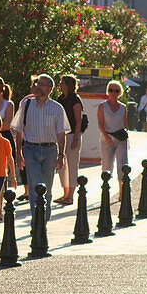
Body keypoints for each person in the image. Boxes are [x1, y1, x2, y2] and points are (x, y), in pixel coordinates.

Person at [12, 74, 69, 224]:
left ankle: (44, 220)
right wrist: (18, 153)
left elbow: (61, 133)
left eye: (43, 84)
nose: (38, 86)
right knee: (34, 187)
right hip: (31, 150)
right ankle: (36, 221)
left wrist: (61, 155)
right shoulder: (26, 104)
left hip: (50, 150)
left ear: (50, 89)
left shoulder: (57, 108)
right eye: (38, 83)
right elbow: (19, 130)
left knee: (47, 188)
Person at [56, 74, 85, 205]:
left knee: (73, 165)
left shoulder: (75, 99)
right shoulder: (60, 99)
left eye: (63, 83)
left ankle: (71, 195)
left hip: (73, 134)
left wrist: (76, 138)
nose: (60, 85)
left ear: (68, 85)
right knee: (62, 166)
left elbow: (78, 121)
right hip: (62, 134)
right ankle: (65, 193)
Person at [97, 79, 129, 188]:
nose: (113, 93)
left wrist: (125, 136)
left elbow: (125, 124)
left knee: (122, 164)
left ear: (120, 92)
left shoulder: (123, 107)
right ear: (108, 91)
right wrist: (106, 136)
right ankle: (105, 188)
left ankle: (122, 190)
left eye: (116, 90)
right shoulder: (102, 106)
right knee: (106, 165)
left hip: (121, 139)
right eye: (111, 90)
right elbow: (100, 124)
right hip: (107, 138)